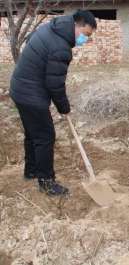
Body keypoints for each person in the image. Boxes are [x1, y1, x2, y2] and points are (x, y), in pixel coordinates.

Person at [9, 10, 97, 196]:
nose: (85, 40)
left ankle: (31, 171)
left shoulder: (52, 27)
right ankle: (46, 182)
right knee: (45, 136)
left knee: (33, 134)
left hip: (19, 87)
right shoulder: (61, 47)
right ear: (77, 25)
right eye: (86, 34)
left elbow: (30, 42)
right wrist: (64, 108)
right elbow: (55, 84)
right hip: (31, 94)